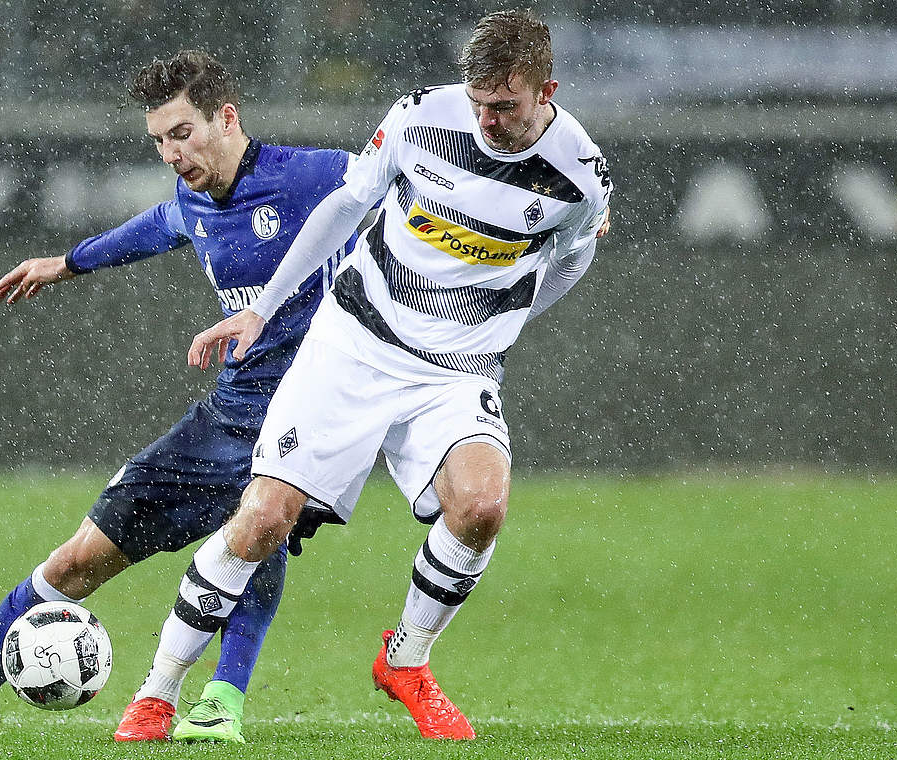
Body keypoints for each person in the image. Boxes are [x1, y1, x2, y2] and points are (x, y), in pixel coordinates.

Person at [0, 50, 358, 744]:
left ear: (226, 118)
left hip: (305, 415)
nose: (171, 153)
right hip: (225, 416)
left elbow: (402, 185)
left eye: (182, 133)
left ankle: (221, 702)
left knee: (259, 527)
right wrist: (66, 263)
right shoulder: (193, 200)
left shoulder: (314, 177)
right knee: (75, 561)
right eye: (158, 141)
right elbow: (152, 228)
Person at [140, 9, 612, 740]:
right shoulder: (421, 118)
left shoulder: (579, 175)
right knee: (264, 516)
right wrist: (263, 311)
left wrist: (503, 325)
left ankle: (408, 661)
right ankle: (158, 692)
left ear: (544, 89)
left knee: (482, 507)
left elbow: (574, 256)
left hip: (456, 370)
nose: (487, 119)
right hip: (356, 341)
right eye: (478, 100)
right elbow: (347, 203)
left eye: (505, 106)